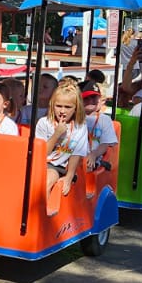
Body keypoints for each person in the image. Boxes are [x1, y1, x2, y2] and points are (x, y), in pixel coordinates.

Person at [35, 83, 87, 216]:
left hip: (58, 166)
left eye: (68, 107)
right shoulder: (44, 122)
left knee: (46, 181)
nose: (62, 111)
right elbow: (42, 153)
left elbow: (76, 154)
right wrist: (56, 134)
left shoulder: (80, 126)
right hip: (39, 162)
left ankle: (42, 218)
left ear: (76, 108)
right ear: (52, 105)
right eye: (58, 106)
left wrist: (69, 177)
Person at [80, 86, 117, 171]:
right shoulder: (74, 117)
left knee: (87, 165)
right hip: (75, 156)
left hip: (93, 158)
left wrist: (94, 154)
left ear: (99, 99)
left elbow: (105, 143)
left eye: (93, 97)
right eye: (86, 98)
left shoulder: (105, 119)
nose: (90, 101)